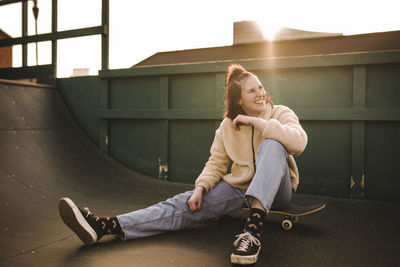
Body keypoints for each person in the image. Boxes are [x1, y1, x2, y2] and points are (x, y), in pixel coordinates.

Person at [59, 64, 307, 265]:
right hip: (241, 189)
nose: (260, 93)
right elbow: (217, 163)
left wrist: (259, 124)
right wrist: (201, 188)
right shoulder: (227, 127)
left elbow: (299, 142)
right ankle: (105, 226)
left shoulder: (280, 113)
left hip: (278, 191)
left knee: (273, 144)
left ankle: (251, 234)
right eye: (252, 91)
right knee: (183, 204)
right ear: (239, 99)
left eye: (260, 87)